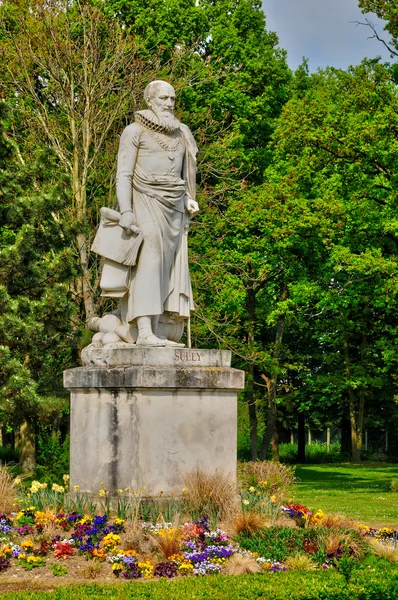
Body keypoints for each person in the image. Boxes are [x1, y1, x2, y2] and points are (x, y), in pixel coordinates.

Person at [115, 80, 199, 346]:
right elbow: (124, 174)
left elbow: (186, 172)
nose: (169, 103)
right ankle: (144, 330)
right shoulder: (134, 131)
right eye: (164, 98)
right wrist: (126, 212)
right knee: (149, 260)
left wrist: (188, 198)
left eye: (172, 98)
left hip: (174, 206)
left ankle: (156, 328)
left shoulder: (181, 132)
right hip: (145, 199)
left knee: (167, 267)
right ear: (149, 100)